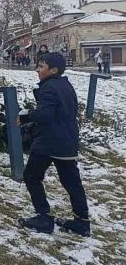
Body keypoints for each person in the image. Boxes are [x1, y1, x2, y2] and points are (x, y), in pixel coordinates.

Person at [17, 52, 90, 237]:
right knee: (72, 182)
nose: (37, 70)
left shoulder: (49, 88)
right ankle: (82, 221)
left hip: (49, 142)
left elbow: (44, 115)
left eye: (41, 66)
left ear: (53, 69)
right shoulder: (65, 85)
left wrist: (26, 116)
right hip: (68, 140)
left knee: (31, 176)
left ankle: (44, 217)